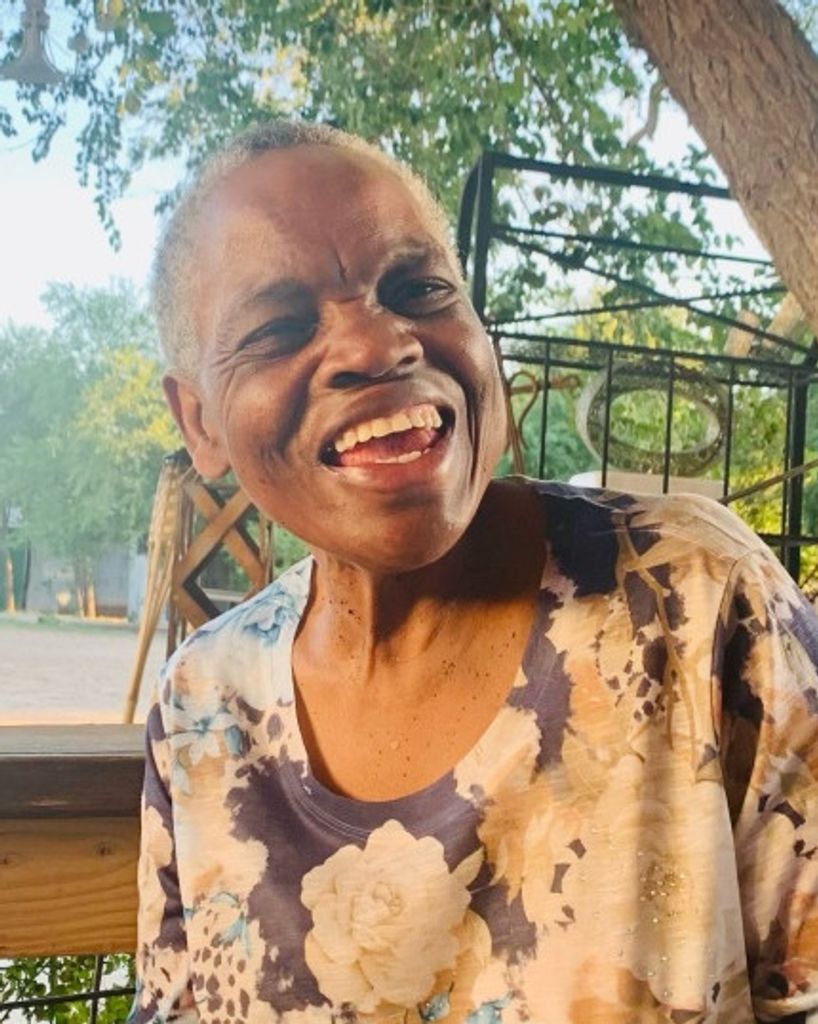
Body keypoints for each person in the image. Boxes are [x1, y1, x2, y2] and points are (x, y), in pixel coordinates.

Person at [129, 120, 818, 1024]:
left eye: (418, 289)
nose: (375, 346)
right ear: (200, 423)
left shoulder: (693, 598)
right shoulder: (203, 707)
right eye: (279, 328)